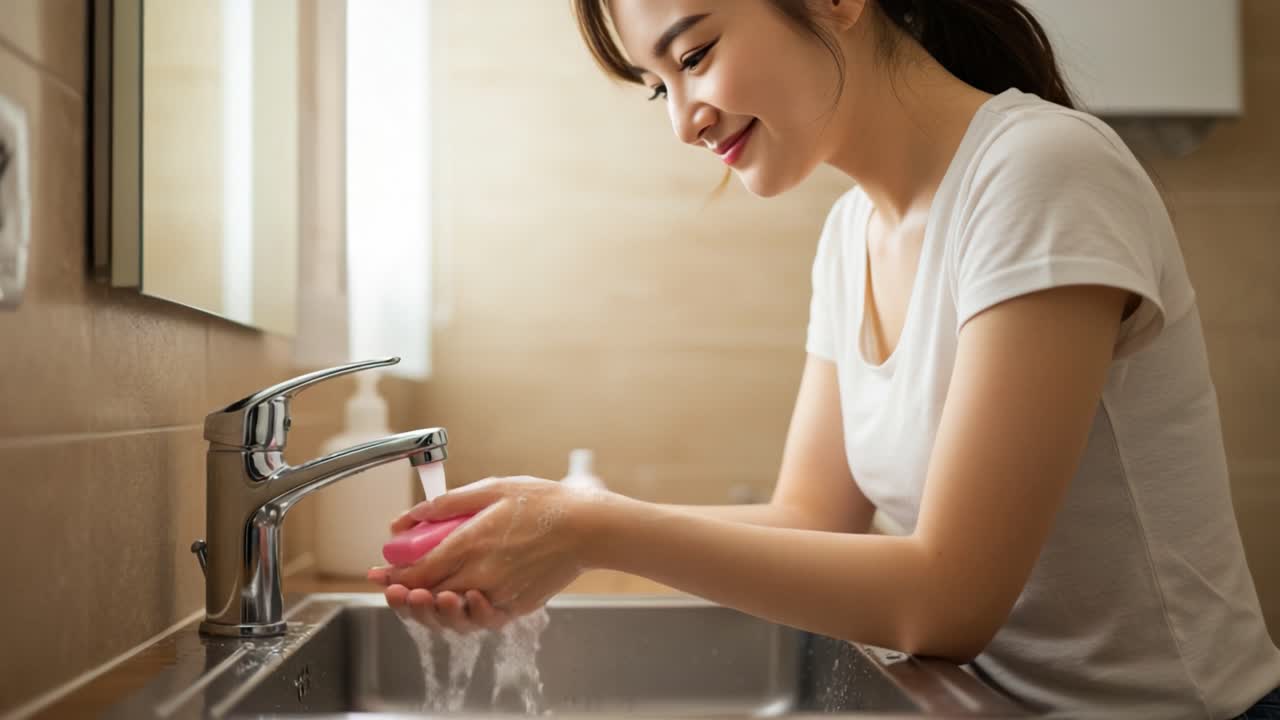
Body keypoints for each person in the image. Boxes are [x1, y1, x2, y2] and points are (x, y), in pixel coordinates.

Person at [367, 1, 1280, 716]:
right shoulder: (852, 235)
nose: (684, 120)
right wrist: (561, 533)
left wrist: (592, 527)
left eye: (692, 56)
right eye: (658, 85)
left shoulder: (1041, 172)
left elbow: (950, 602)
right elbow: (814, 518)